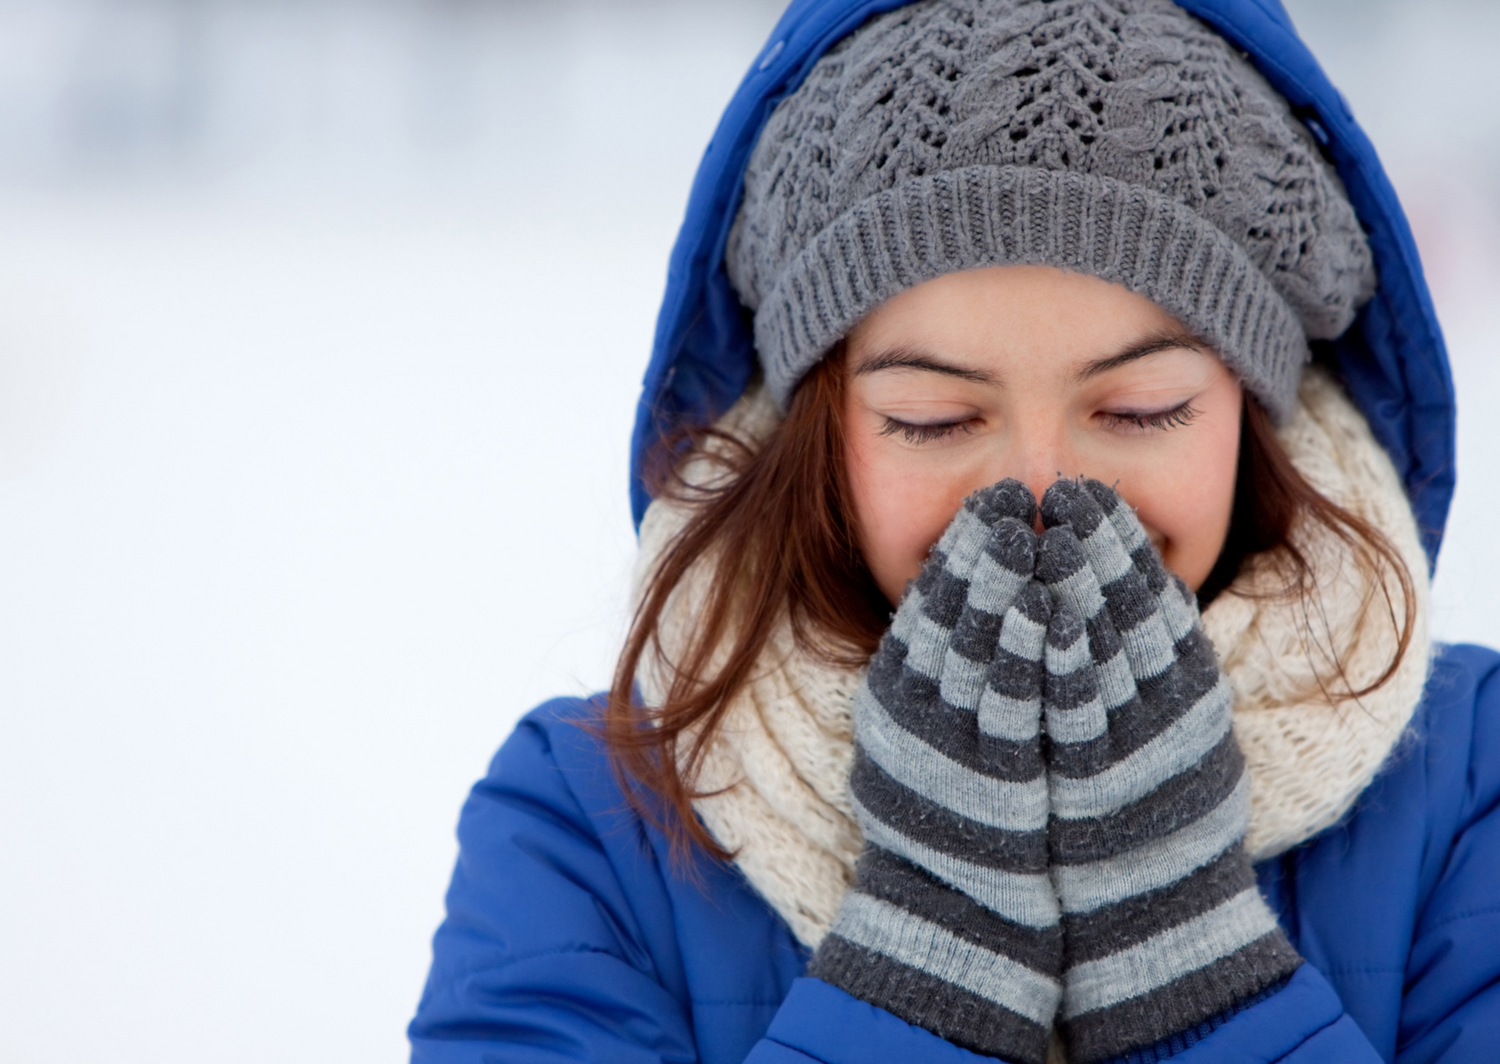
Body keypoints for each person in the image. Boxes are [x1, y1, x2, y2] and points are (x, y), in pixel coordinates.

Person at [408, 1, 1500, 1061]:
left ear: (1252, 413)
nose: (1042, 492)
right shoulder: (587, 829)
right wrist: (926, 973)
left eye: (1139, 409)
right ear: (820, 434)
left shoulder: (1470, 784)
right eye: (934, 418)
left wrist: (1191, 974)